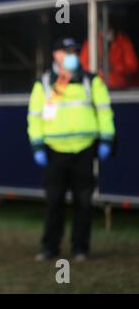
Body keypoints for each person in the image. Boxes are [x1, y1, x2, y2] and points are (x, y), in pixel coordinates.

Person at [27, 37, 116, 262]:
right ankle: (50, 248)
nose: (72, 56)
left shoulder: (91, 80)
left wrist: (107, 139)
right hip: (54, 151)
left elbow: (105, 111)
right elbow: (35, 117)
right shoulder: (45, 82)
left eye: (75, 52)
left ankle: (80, 249)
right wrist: (37, 145)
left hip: (85, 150)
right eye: (66, 52)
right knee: (54, 202)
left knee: (84, 202)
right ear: (55, 55)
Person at [80, 25, 139, 90]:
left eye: (109, 28)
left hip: (122, 88)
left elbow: (132, 67)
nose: (106, 31)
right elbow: (84, 64)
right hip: (97, 86)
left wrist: (112, 68)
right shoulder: (92, 42)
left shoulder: (123, 41)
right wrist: (97, 69)